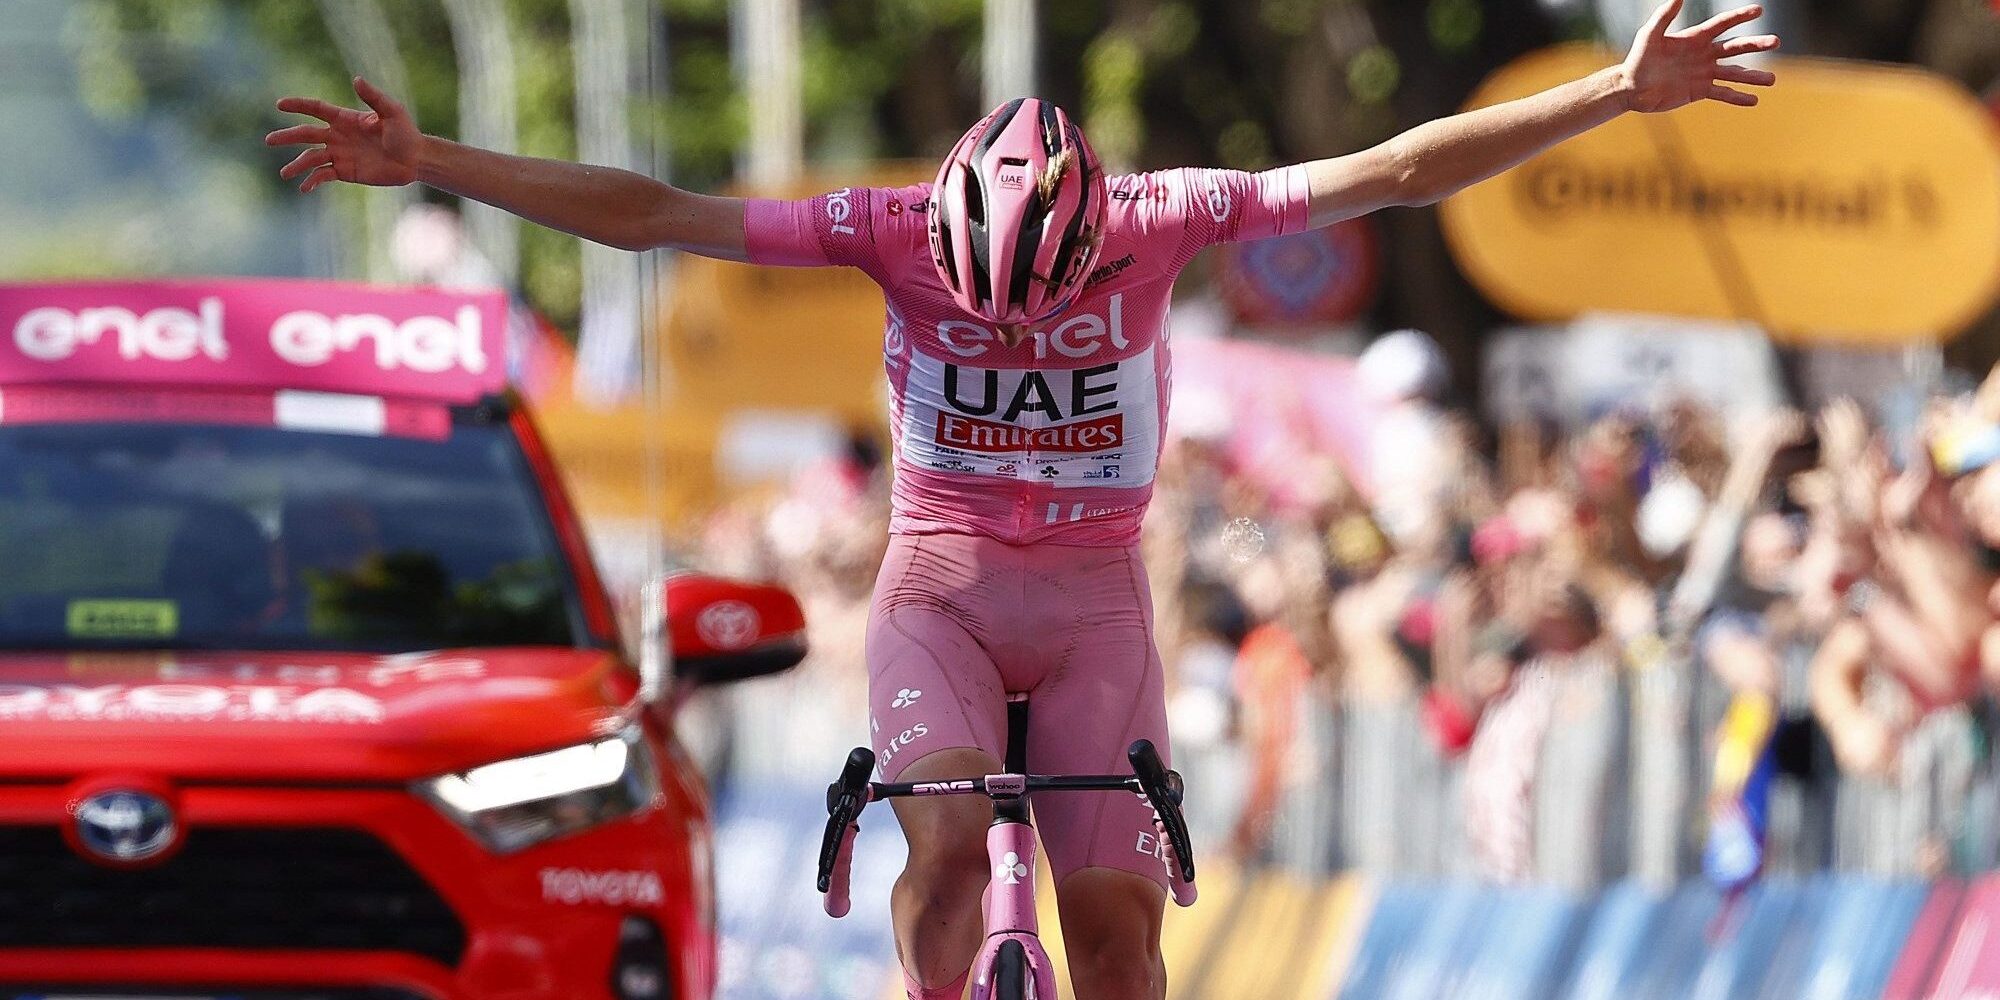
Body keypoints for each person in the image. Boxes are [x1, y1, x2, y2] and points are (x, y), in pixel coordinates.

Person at [267, 3, 1776, 996]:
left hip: (1097, 604)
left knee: (1115, 928)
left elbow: (1393, 168)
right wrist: (436, 164)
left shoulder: (1164, 217)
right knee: (936, 854)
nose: (1004, 336)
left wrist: (1618, 91)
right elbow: (658, 213)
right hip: (940, 595)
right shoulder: (886, 229)